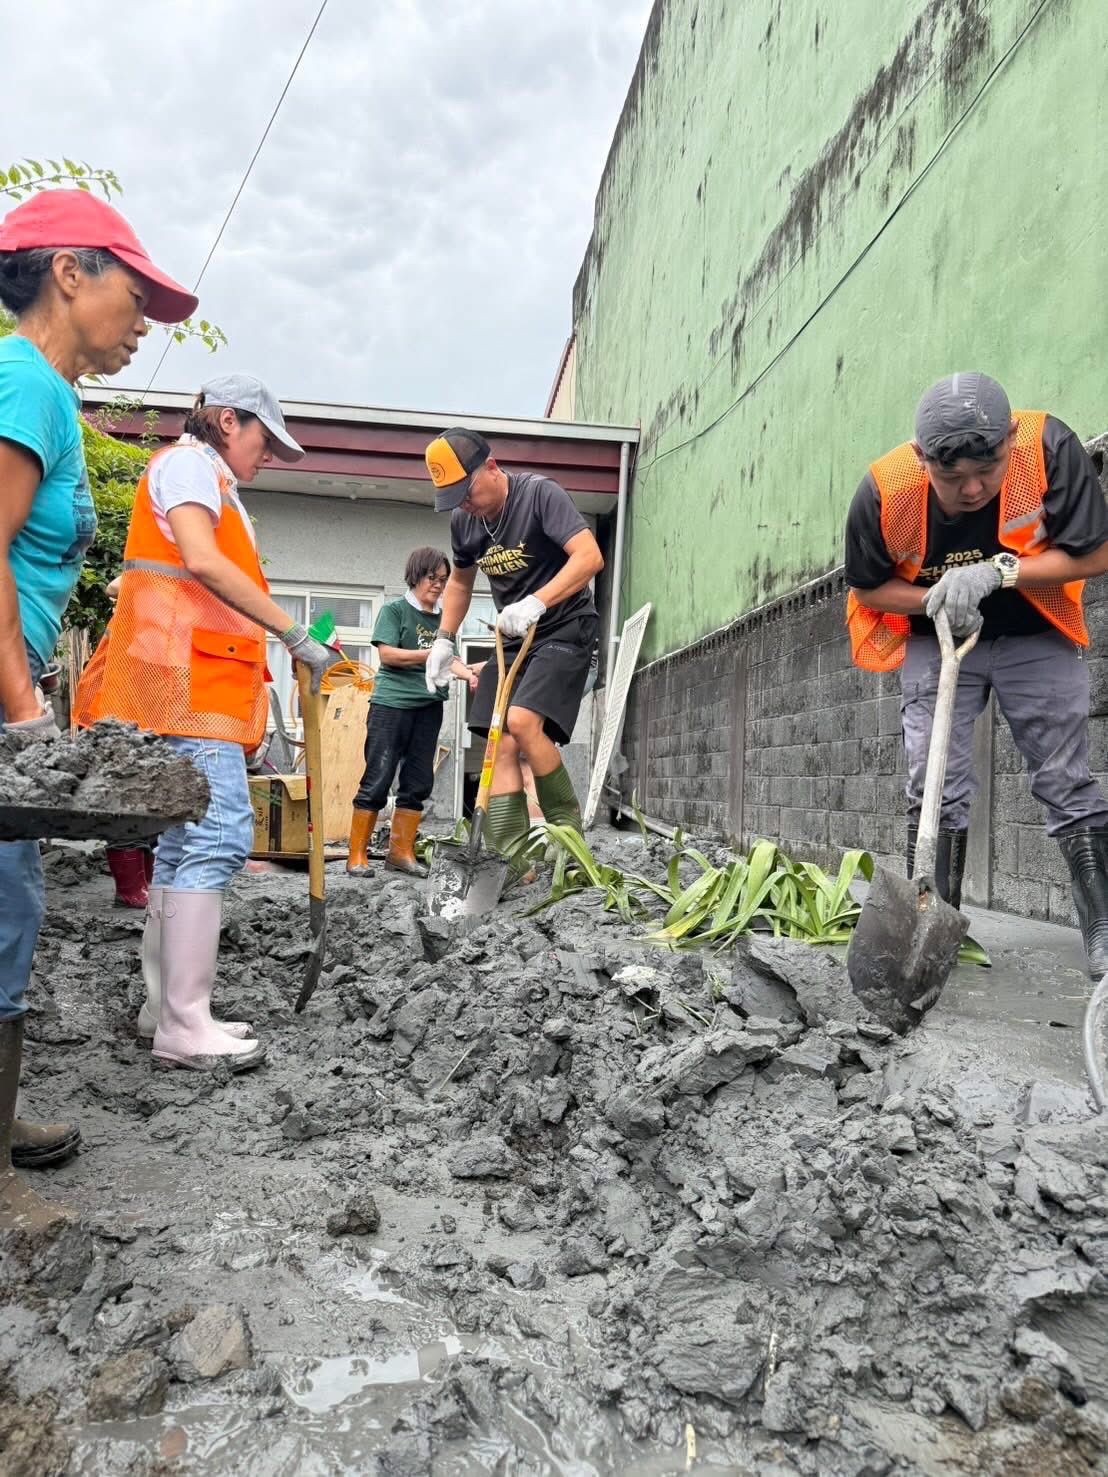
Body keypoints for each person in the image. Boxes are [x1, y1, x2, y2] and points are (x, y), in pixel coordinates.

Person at [0, 188, 196, 1230]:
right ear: (68, 273)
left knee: (12, 904)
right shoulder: (25, 383)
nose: (145, 320)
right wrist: (27, 714)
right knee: (1, 907)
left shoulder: (41, 395)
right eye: (136, 292)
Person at [74, 374, 335, 1069]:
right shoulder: (190, 466)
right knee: (219, 832)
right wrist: (294, 633)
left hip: (188, 679)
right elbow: (200, 559)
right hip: (186, 683)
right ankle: (184, 1023)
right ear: (227, 420)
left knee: (184, 844)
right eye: (263, 439)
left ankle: (166, 1011)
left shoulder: (209, 481)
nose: (269, 454)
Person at [845, 371, 1108, 973]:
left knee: (1066, 779)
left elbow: (1096, 552)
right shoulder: (886, 488)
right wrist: (936, 597)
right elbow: (869, 588)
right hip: (938, 640)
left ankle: (1100, 931)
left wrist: (998, 573)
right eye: (951, 477)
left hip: (1034, 630)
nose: (971, 489)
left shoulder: (1048, 449)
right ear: (921, 459)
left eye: (985, 471)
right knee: (933, 784)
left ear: (1010, 439)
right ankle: (934, 932)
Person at [423, 428, 603, 874]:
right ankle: (512, 862)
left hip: (564, 626)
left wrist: (538, 601)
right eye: (453, 498)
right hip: (513, 637)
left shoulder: (539, 495)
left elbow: (589, 556)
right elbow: (462, 580)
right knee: (496, 741)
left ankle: (569, 841)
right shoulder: (465, 522)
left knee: (522, 722)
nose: (463, 504)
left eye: (466, 492)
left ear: (491, 466)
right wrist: (444, 639)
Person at [346, 547, 476, 879]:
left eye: (444, 580)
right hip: (391, 705)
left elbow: (453, 660)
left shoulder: (444, 621)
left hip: (429, 707)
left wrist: (471, 675)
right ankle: (357, 854)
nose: (438, 585)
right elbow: (388, 655)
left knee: (418, 782)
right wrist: (432, 655)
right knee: (378, 777)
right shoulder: (395, 611)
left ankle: (400, 852)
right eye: (432, 577)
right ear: (415, 575)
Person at [101, 575, 154, 908]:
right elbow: (116, 586)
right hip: (122, 718)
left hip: (147, 719)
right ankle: (129, 888)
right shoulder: (134, 616)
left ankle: (142, 883)